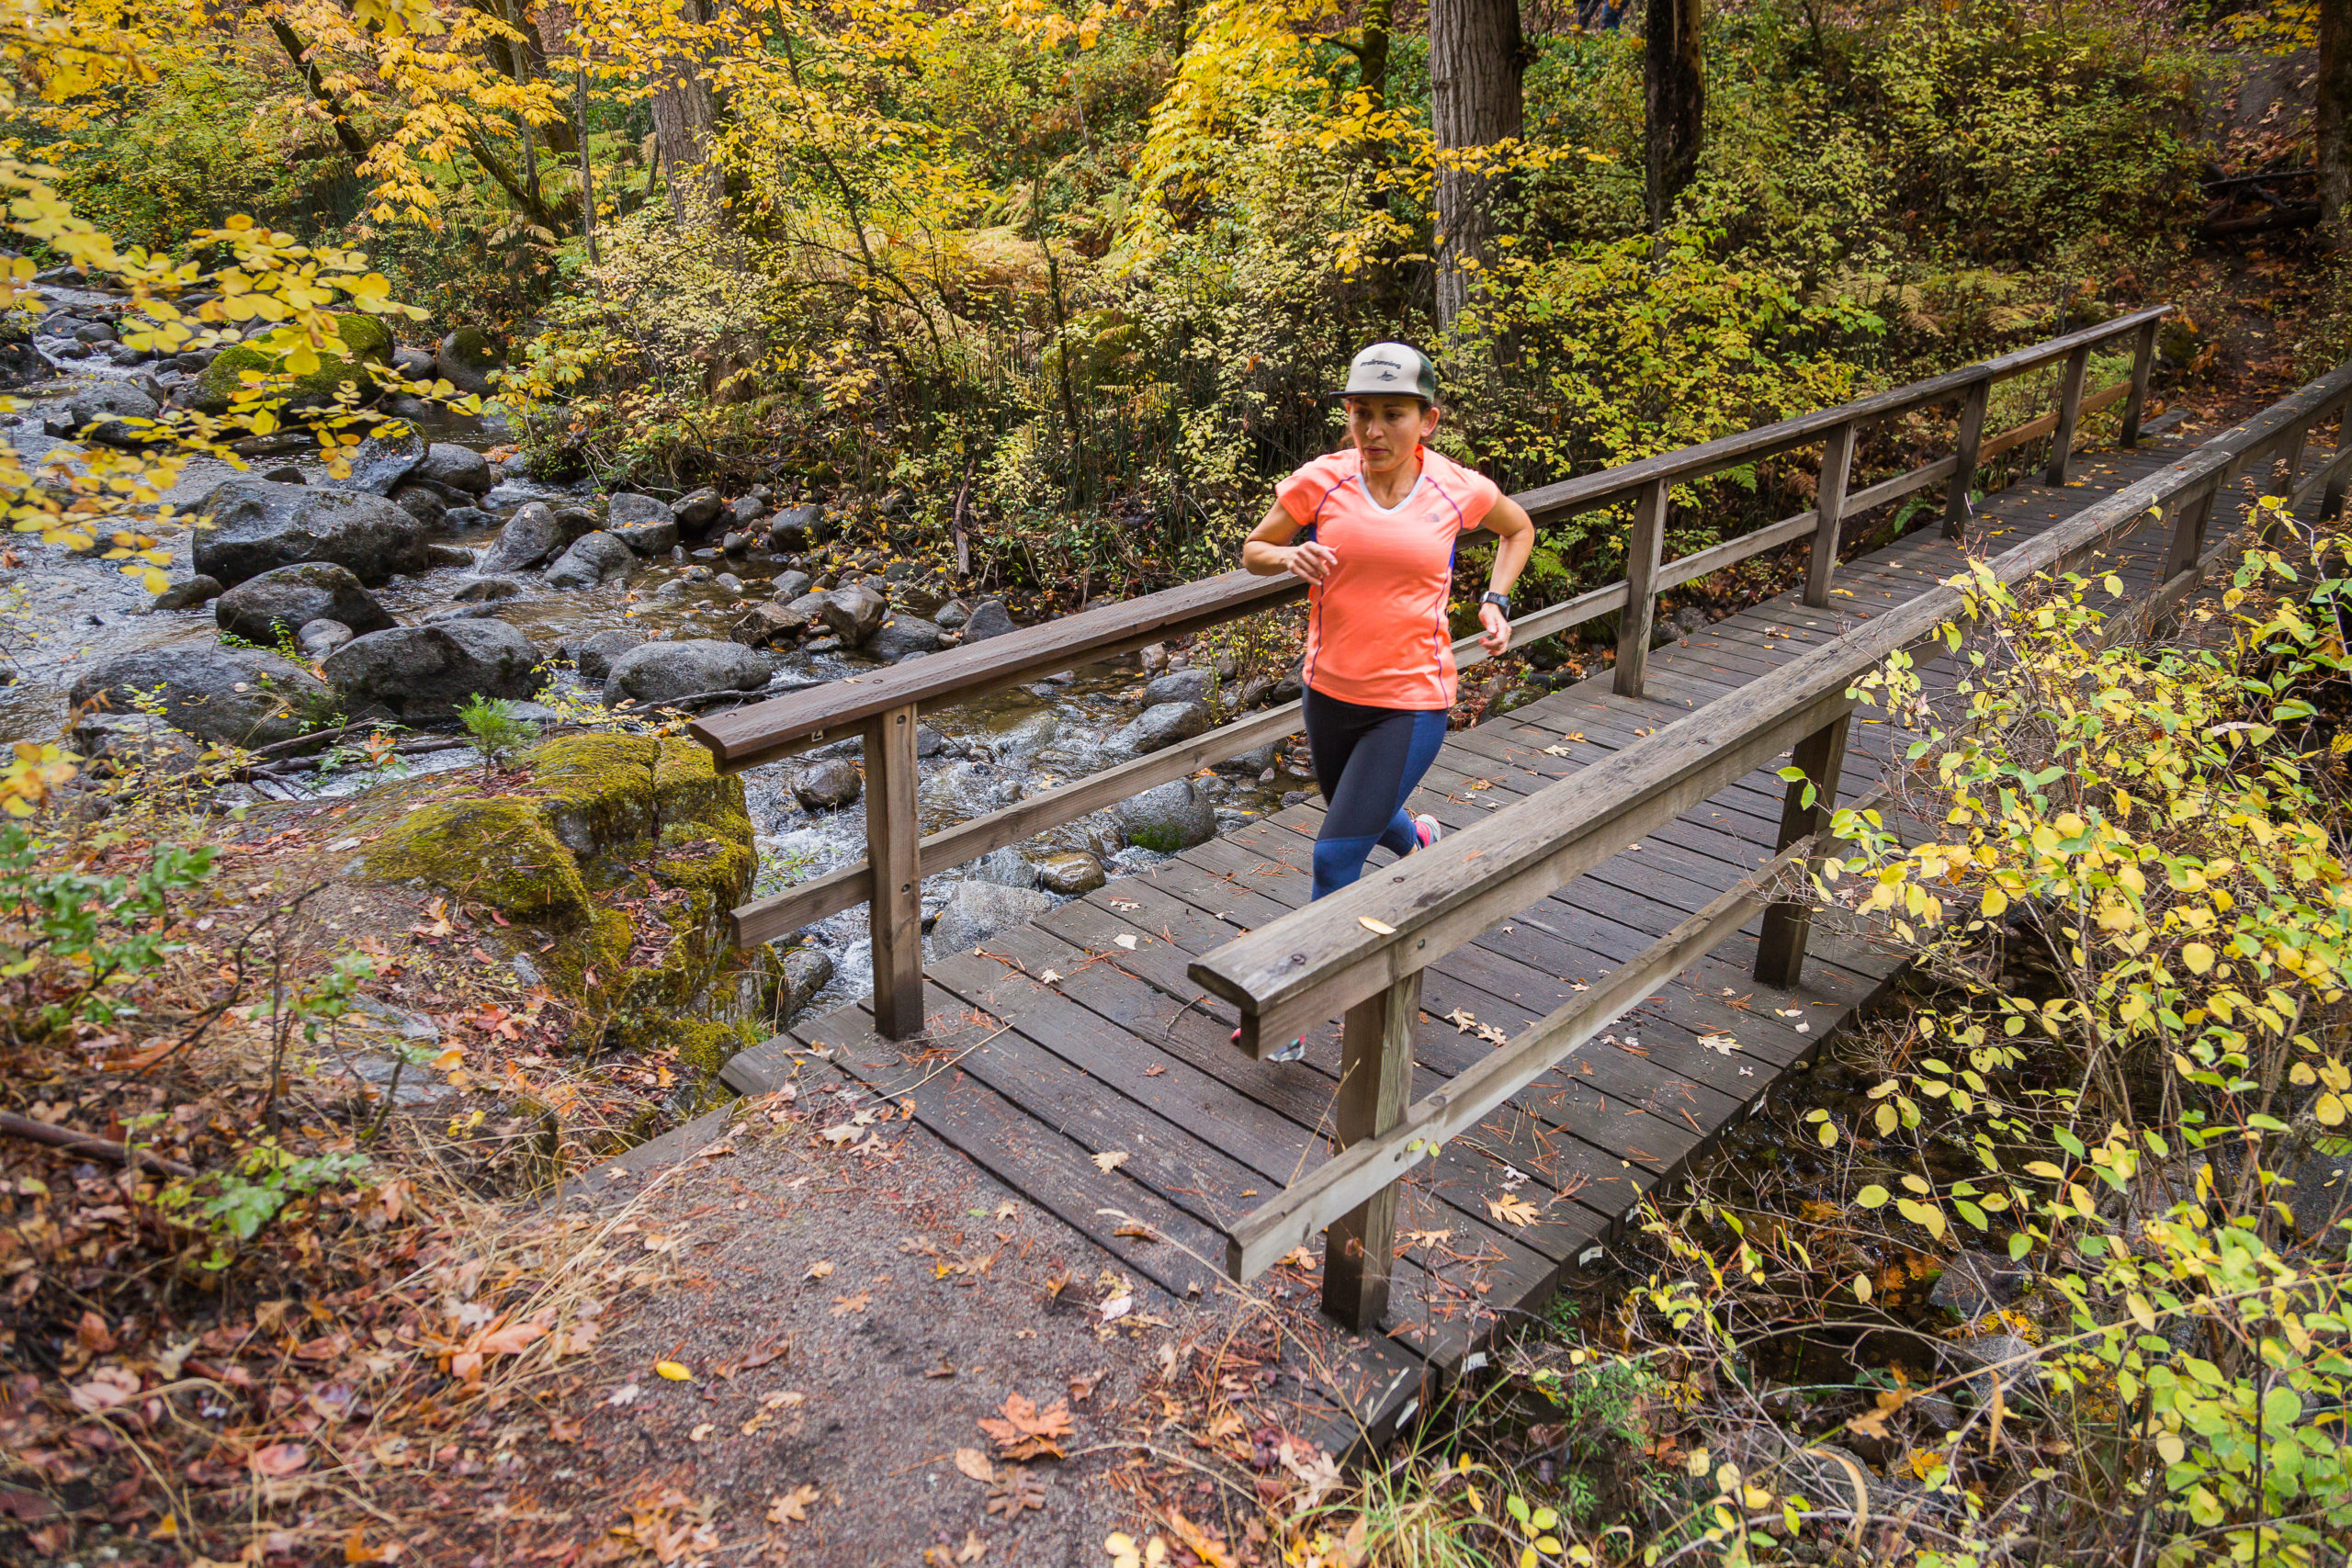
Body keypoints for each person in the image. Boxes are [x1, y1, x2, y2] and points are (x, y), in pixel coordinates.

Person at [1237, 341, 1535, 1059]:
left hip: (1412, 700)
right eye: (1360, 413)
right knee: (1361, 815)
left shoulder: (1456, 488)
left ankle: (1295, 1006)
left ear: (1426, 419)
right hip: (1328, 693)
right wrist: (1289, 556)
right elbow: (1253, 548)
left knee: (1335, 857)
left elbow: (1517, 528)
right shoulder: (1322, 482)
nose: (1372, 430)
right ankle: (1420, 839)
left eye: (1391, 415)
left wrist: (1495, 601)